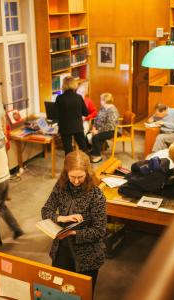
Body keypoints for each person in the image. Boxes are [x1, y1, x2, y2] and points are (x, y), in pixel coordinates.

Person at [41, 150, 106, 292]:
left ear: (87, 173)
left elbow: (99, 231)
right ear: (66, 173)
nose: (76, 181)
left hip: (87, 255)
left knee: (82, 293)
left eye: (80, 177)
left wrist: (72, 232)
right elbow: (45, 210)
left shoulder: (96, 195)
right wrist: (60, 218)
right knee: (60, 291)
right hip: (61, 251)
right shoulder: (61, 186)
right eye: (72, 177)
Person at [55, 76, 89, 154]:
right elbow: (85, 113)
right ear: (74, 84)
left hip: (65, 128)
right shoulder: (79, 97)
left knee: (68, 150)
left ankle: (69, 165)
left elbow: (55, 114)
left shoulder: (59, 98)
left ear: (64, 85)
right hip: (77, 127)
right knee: (83, 147)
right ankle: (87, 162)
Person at [90, 93, 119, 163]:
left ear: (105, 101)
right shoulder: (103, 108)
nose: (100, 101)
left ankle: (98, 156)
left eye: (101, 100)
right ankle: (94, 151)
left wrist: (98, 131)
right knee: (88, 134)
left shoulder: (112, 110)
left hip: (111, 131)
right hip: (101, 128)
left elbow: (110, 126)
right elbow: (97, 118)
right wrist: (94, 127)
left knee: (95, 137)